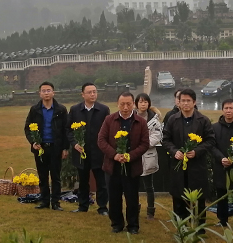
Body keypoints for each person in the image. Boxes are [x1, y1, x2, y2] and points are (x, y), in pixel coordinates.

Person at [97, 91, 150, 234]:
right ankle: (116, 224)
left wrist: (130, 156)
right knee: (114, 197)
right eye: (122, 104)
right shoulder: (109, 120)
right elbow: (101, 140)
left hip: (132, 166)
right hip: (112, 166)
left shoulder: (140, 122)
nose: (125, 107)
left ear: (133, 104)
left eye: (128, 104)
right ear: (117, 104)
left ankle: (133, 225)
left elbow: (145, 143)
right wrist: (114, 155)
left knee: (132, 197)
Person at [162, 88, 216, 225]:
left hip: (197, 166)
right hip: (178, 166)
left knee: (198, 199)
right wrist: (174, 151)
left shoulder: (203, 120)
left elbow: (210, 140)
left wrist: (197, 151)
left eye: (188, 101)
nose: (185, 103)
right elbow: (166, 140)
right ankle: (181, 227)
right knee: (178, 198)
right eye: (183, 101)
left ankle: (199, 227)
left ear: (194, 102)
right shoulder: (173, 119)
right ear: (178, 103)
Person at [67, 83, 111, 216]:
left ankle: (102, 207)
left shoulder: (103, 110)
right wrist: (75, 144)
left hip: (98, 152)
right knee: (83, 181)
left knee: (101, 181)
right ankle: (83, 205)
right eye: (89, 92)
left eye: (94, 92)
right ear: (83, 94)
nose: (93, 94)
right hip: (81, 152)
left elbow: (108, 131)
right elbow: (68, 130)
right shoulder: (75, 110)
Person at [24, 81, 69, 211]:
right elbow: (27, 128)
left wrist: (65, 148)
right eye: (43, 91)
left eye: (49, 90)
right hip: (41, 148)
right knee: (42, 176)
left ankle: (55, 202)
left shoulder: (61, 110)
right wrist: (33, 142)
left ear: (53, 93)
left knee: (56, 176)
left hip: (56, 147)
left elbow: (66, 130)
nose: (46, 93)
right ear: (40, 93)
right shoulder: (35, 110)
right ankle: (44, 201)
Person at [211, 99, 233, 227]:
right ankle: (222, 220)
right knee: (221, 193)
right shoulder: (215, 127)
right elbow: (212, 146)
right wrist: (221, 158)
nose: (228, 111)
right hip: (221, 165)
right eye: (226, 108)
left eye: (231, 108)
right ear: (222, 110)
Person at [135, 93, 162, 220]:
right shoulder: (131, 117)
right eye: (140, 102)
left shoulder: (154, 120)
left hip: (148, 155)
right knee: (134, 185)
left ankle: (150, 211)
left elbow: (156, 137)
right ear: (136, 104)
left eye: (145, 102)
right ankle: (135, 209)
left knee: (149, 186)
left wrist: (143, 145)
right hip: (134, 156)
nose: (143, 104)